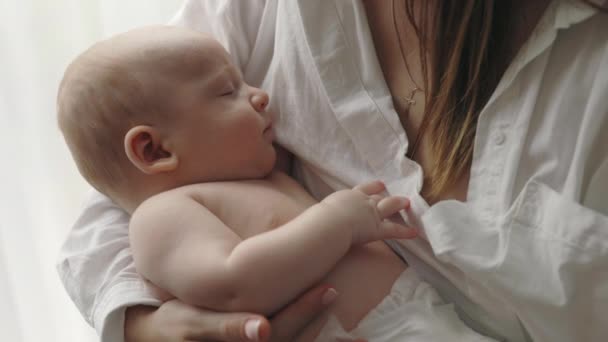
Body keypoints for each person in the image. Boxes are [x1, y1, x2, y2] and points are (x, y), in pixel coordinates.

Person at [56, 0, 608, 341]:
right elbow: (227, 280)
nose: (260, 94)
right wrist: (147, 329)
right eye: (231, 91)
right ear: (153, 153)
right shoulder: (161, 214)